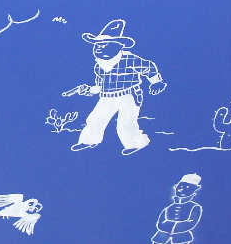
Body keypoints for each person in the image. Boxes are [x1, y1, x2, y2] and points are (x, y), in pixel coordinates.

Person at [65, 19, 165, 155]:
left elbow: (149, 67)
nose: (99, 48)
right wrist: (88, 90)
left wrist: (156, 82)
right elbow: (100, 86)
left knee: (126, 122)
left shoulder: (129, 60)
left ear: (118, 46)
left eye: (104, 44)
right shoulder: (99, 66)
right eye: (97, 45)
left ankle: (136, 143)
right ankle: (88, 141)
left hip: (128, 95)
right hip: (107, 97)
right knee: (95, 118)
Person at [139, 174, 203, 244]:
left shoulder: (194, 207)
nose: (182, 189)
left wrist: (174, 227)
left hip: (180, 235)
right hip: (163, 235)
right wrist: (167, 227)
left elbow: (191, 222)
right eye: (180, 186)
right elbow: (161, 222)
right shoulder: (169, 207)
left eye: (187, 187)